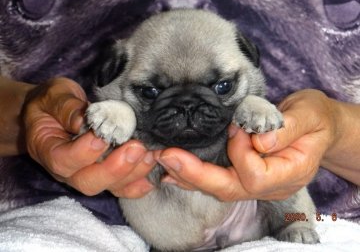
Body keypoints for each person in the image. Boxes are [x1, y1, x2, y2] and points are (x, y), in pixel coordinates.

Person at [1, 75, 359, 205]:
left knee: (297, 219)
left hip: (321, 223)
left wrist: (337, 128)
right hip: (44, 212)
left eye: (221, 87)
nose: (188, 108)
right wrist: (29, 113)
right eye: (152, 90)